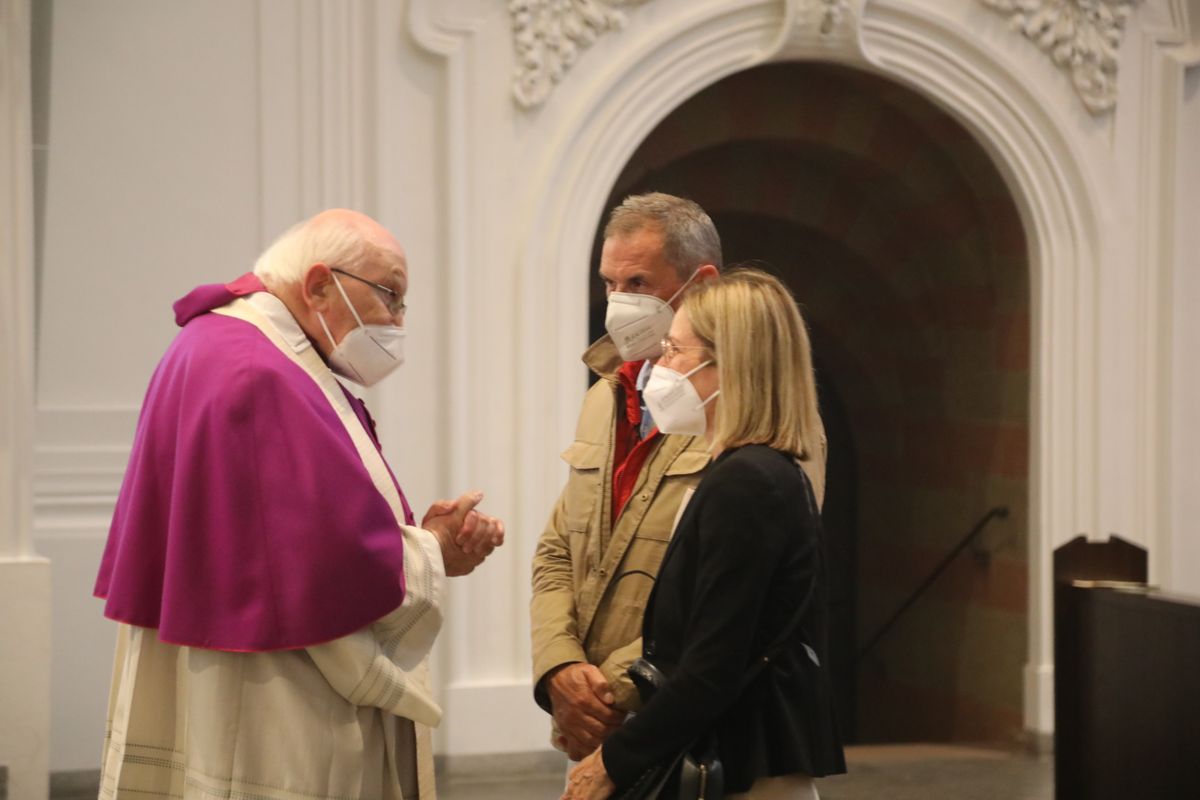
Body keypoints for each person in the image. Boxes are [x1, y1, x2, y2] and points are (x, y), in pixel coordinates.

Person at [94, 209, 504, 800]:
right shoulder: (258, 371)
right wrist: (435, 548)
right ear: (318, 286)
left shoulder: (220, 342)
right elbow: (323, 564)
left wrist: (412, 534)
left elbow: (293, 524)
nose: (397, 321)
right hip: (267, 693)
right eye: (390, 295)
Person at [563, 269, 846, 799]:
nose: (660, 366)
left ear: (729, 365)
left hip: (746, 772)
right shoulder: (748, 470)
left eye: (674, 350)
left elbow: (711, 665)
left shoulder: (749, 480)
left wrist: (613, 761)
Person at [530, 193, 726, 760]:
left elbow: (730, 593)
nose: (618, 304)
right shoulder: (606, 395)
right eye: (609, 284)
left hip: (686, 729)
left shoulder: (749, 408)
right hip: (595, 728)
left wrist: (606, 698)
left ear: (701, 284)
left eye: (637, 283)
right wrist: (559, 668)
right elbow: (557, 552)